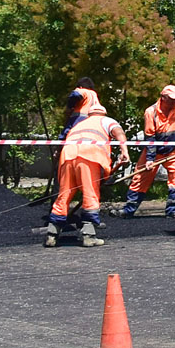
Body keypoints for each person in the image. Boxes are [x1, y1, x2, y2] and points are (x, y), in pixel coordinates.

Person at [45, 89, 128, 247]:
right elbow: (118, 132)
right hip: (89, 157)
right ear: (103, 113)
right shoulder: (106, 121)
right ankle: (89, 235)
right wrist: (124, 150)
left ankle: (52, 234)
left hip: (68, 156)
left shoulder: (80, 124)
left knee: (64, 194)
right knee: (90, 194)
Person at [121, 85, 175, 220]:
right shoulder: (151, 112)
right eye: (171, 99)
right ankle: (128, 210)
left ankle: (173, 211)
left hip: (173, 152)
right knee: (140, 178)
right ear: (163, 98)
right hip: (154, 151)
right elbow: (150, 137)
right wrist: (150, 159)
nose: (174, 102)